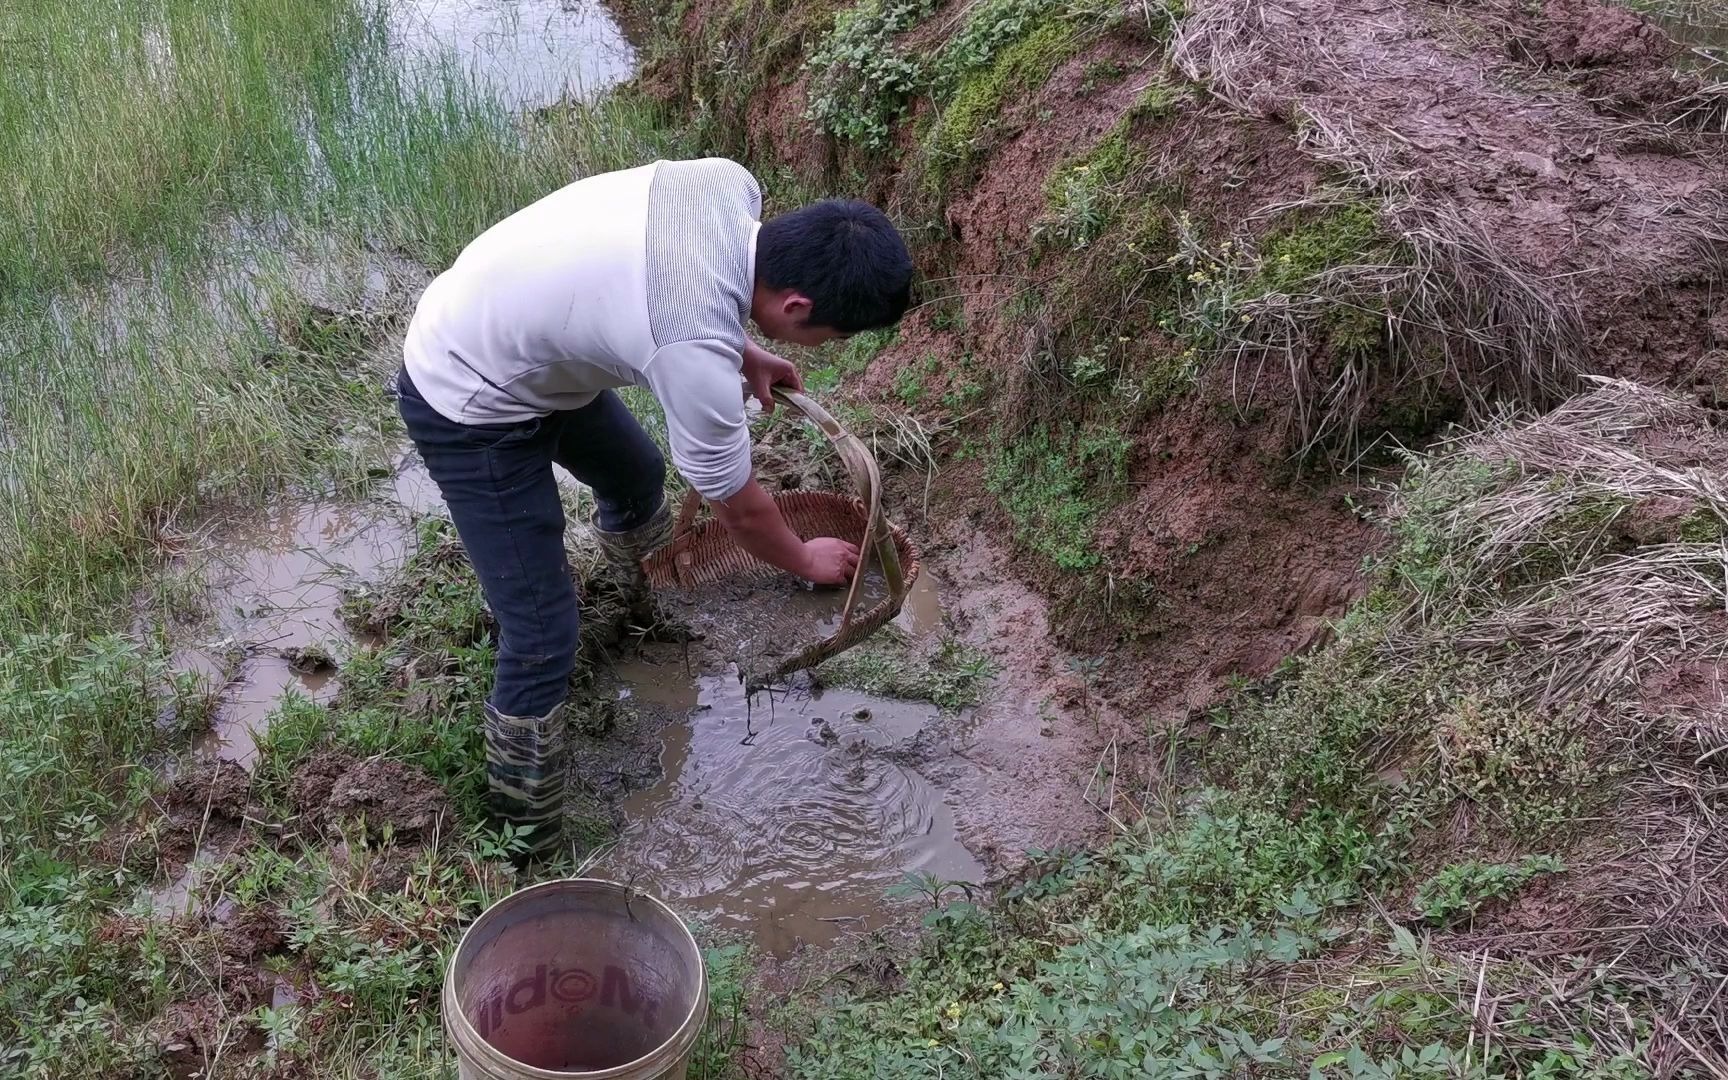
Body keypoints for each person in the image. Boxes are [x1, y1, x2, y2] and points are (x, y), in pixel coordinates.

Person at [396, 157, 914, 856]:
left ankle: (636, 609)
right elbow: (739, 508)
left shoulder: (727, 185)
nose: (826, 347)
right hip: (466, 394)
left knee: (637, 476)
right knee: (544, 633)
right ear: (797, 307)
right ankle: (523, 837)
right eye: (833, 335)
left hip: (518, 340)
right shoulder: (690, 347)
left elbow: (686, 285)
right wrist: (803, 557)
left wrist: (745, 352)